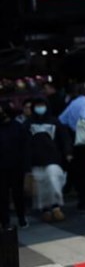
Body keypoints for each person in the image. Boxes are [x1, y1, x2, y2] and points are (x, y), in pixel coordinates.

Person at [26, 98, 71, 222]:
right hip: (35, 161)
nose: (40, 108)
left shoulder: (54, 121)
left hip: (53, 159)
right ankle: (46, 210)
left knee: (54, 182)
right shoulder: (28, 123)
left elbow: (64, 137)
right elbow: (24, 143)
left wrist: (68, 152)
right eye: (37, 105)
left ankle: (56, 207)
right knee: (41, 186)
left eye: (42, 105)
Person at [59, 81, 85, 212]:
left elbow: (61, 119)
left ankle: (82, 200)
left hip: (75, 140)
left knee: (79, 173)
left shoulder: (73, 102)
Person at [0, 101, 30, 229]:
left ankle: (21, 217)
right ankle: (5, 221)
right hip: (2, 168)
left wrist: (26, 165)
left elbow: (25, 147)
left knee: (18, 194)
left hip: (16, 166)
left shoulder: (18, 127)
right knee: (2, 196)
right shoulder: (17, 126)